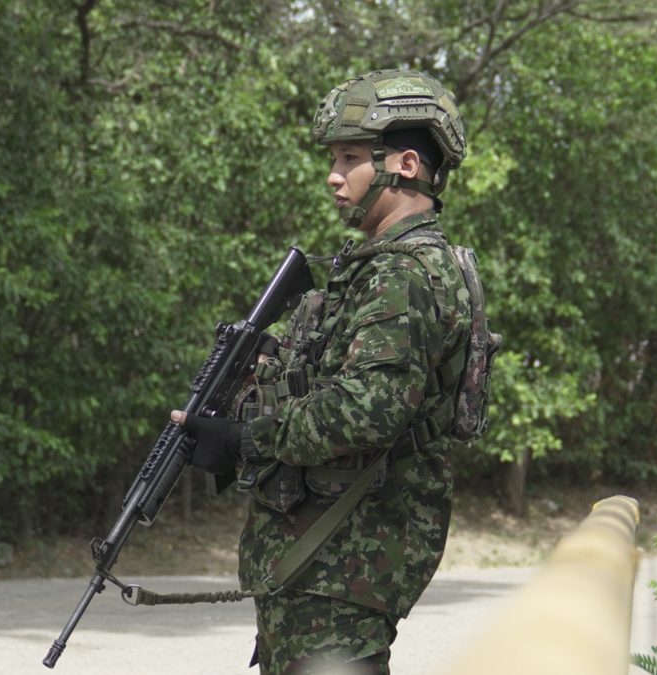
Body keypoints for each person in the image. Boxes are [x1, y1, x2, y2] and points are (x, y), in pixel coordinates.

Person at [172, 69, 474, 674]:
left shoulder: (404, 274)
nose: (334, 175)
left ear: (405, 164)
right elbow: (321, 381)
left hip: (345, 562)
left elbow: (367, 410)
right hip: (321, 561)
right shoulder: (372, 268)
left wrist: (243, 439)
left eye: (351, 157)